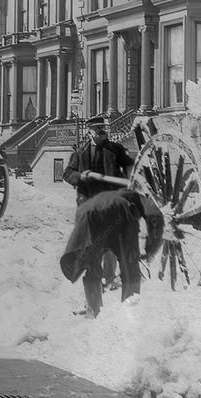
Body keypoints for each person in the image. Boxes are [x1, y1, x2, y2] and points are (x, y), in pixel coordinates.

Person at [60, 189, 164, 318]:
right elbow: (156, 220)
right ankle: (130, 311)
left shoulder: (105, 198)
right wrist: (150, 251)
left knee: (92, 267)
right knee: (130, 267)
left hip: (92, 220)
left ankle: (93, 311)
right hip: (120, 219)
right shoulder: (142, 201)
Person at [63, 121, 134, 288]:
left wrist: (129, 182)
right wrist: (80, 176)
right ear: (89, 132)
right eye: (97, 130)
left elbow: (130, 165)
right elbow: (67, 173)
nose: (101, 132)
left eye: (103, 129)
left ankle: (110, 279)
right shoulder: (81, 153)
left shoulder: (116, 149)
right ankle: (95, 279)